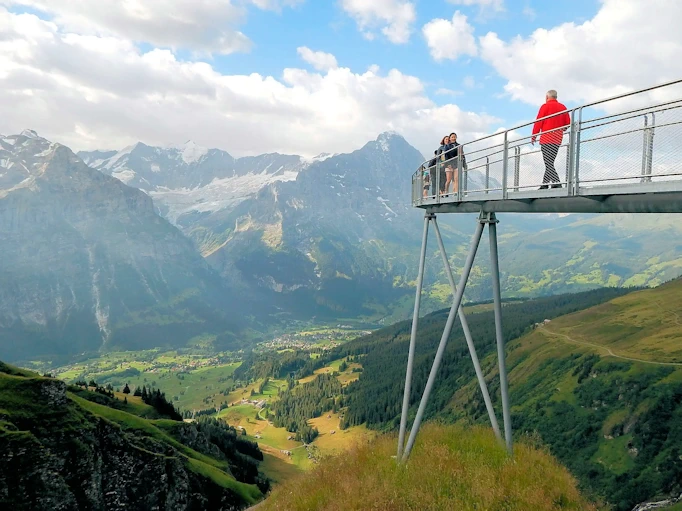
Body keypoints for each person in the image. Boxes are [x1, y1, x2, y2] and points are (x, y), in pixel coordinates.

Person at [531, 89, 571, 189]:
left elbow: (538, 122)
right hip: (557, 138)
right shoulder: (563, 107)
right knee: (550, 162)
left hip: (546, 138)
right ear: (556, 97)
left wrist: (534, 136)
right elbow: (567, 123)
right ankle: (545, 185)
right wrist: (562, 129)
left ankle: (556, 183)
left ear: (547, 97)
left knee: (548, 162)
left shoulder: (545, 106)